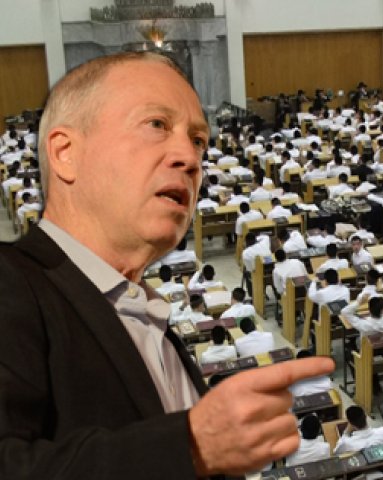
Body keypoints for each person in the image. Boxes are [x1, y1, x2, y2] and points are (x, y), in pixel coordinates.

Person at [0, 52, 333, 478]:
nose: (190, 158)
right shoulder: (13, 283)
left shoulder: (150, 322)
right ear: (66, 153)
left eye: (198, 141)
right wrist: (189, 443)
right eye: (157, 125)